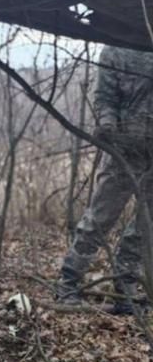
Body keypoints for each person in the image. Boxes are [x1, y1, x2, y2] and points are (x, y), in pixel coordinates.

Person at [55, 45, 153, 314]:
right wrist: (108, 125)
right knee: (99, 218)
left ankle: (126, 291)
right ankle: (68, 285)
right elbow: (105, 98)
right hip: (125, 149)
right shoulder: (116, 49)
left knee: (145, 228)